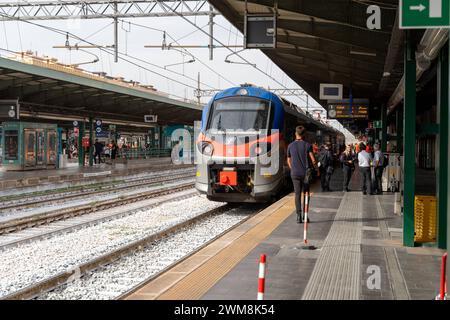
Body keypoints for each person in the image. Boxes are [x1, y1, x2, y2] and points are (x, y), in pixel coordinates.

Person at [287, 126, 319, 224]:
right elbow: (313, 159)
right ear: (304, 134)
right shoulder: (307, 145)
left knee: (297, 194)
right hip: (305, 174)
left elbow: (288, 159)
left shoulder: (290, 146)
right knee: (306, 194)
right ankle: (305, 216)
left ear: (295, 134)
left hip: (295, 174)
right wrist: (317, 169)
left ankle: (298, 216)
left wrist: (292, 168)